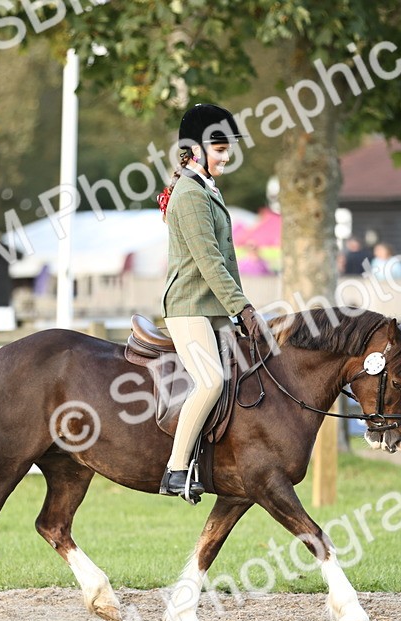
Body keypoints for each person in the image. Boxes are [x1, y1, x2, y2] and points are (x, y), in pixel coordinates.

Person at [155, 102, 264, 504]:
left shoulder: (206, 188)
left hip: (214, 307)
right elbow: (209, 262)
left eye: (228, 148)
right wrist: (243, 308)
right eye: (220, 148)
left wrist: (239, 308)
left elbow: (228, 261)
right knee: (212, 380)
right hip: (189, 306)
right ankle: (176, 469)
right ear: (196, 148)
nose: (227, 155)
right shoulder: (189, 194)